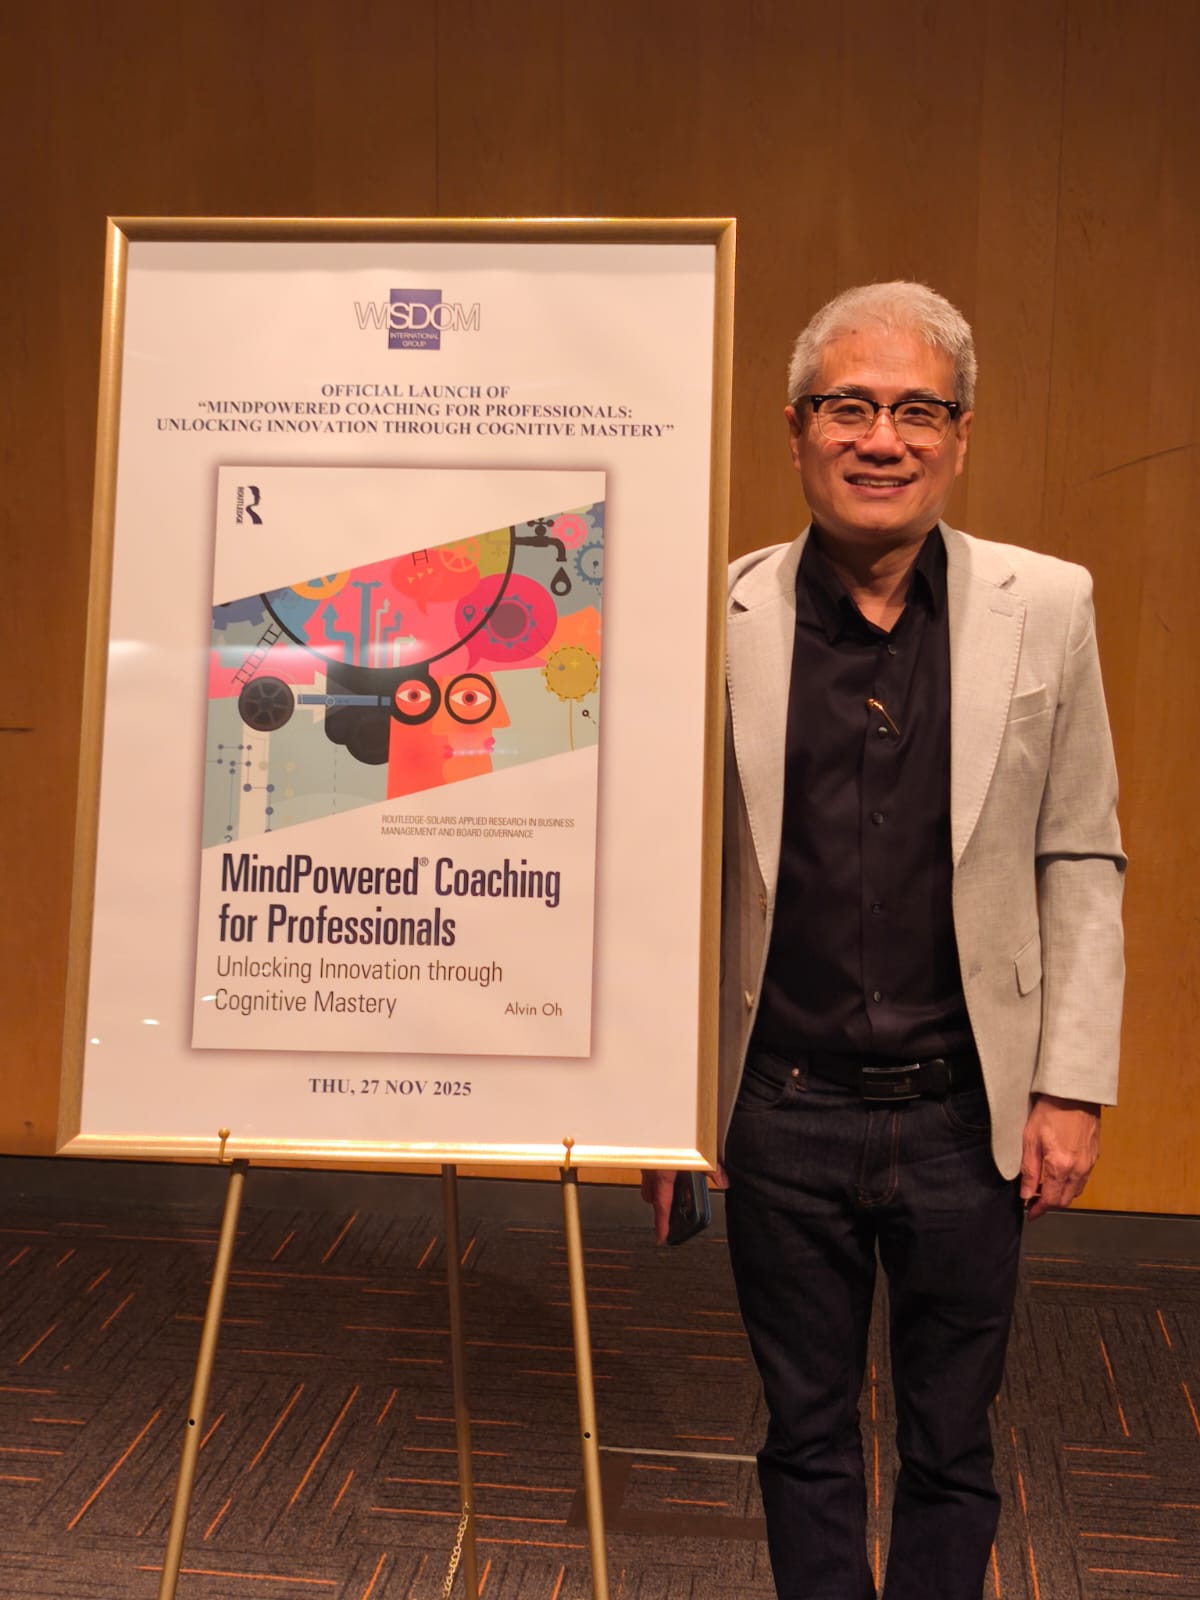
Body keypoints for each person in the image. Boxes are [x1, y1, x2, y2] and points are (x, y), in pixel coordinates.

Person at [642, 281, 1125, 1600]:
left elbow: (1081, 852)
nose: (882, 439)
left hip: (968, 1113)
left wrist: (1072, 1082)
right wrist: (661, 1105)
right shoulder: (712, 617)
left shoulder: (1049, 605)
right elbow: (668, 872)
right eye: (848, 406)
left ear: (960, 436)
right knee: (802, 1438)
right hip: (779, 1110)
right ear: (796, 428)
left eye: (918, 410)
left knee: (951, 1447)